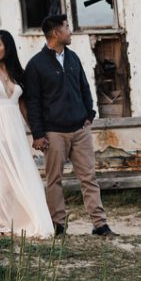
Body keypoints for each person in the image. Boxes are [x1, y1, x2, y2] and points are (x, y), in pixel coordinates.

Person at [25, 14, 116, 237]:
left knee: (89, 177)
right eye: (66, 27)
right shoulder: (36, 65)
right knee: (54, 179)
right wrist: (38, 133)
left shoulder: (73, 58)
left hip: (80, 129)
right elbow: (32, 102)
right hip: (53, 132)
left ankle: (99, 224)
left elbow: (84, 87)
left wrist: (89, 114)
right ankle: (58, 225)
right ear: (56, 33)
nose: (70, 31)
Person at [0, 30, 54, 239]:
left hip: (15, 130)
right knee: (3, 178)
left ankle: (17, 221)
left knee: (26, 174)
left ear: (7, 47)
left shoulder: (18, 74)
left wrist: (37, 134)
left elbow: (24, 108)